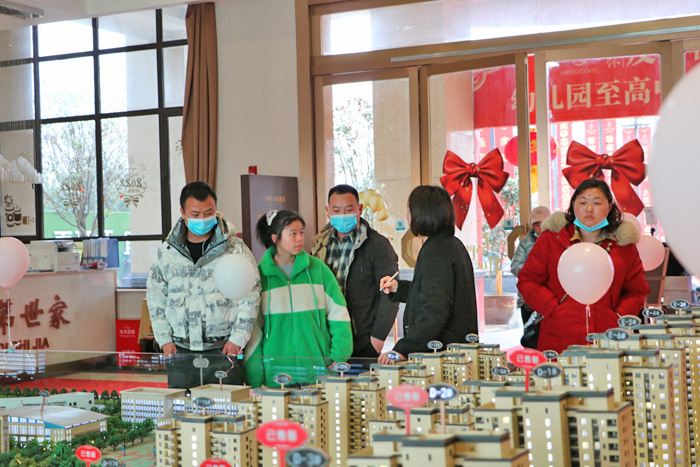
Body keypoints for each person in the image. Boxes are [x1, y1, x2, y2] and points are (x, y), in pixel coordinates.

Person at [147, 181, 261, 388]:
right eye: (196, 214)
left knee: (227, 412)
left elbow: (250, 295)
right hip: (180, 350)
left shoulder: (235, 249)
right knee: (183, 413)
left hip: (223, 348)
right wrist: (164, 339)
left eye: (208, 213)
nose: (202, 219)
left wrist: (238, 338)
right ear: (183, 212)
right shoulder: (168, 252)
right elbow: (156, 296)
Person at [517, 178, 650, 354]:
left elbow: (637, 290)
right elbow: (528, 280)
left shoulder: (623, 246)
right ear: (573, 205)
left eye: (597, 203)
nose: (589, 209)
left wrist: (617, 316)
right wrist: (553, 308)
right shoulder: (552, 239)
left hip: (609, 337)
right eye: (582, 202)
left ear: (609, 207)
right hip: (558, 337)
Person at [246, 210, 353, 387]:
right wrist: (255, 378)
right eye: (293, 233)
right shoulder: (259, 277)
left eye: (301, 232)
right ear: (275, 238)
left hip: (318, 374)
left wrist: (338, 356)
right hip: (276, 377)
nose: (299, 238)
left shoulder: (318, 270)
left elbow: (339, 315)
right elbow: (254, 332)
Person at [377, 185, 478, 363]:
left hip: (441, 357)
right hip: (455, 354)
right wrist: (399, 288)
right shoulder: (451, 245)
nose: (407, 215)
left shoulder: (437, 251)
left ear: (421, 212)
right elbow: (433, 292)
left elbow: (435, 308)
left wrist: (405, 348)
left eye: (409, 209)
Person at [311, 184, 399, 359]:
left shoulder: (377, 245)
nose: (342, 215)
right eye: (336, 210)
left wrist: (377, 339)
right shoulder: (318, 245)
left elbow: (390, 294)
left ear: (359, 209)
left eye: (348, 209)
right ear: (327, 211)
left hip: (363, 342)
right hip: (327, 340)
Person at [511, 206, 551, 324]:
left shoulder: (557, 240)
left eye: (543, 224)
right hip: (528, 299)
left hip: (551, 297)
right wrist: (535, 272)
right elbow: (515, 266)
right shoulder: (525, 243)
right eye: (536, 224)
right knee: (531, 337)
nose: (540, 228)